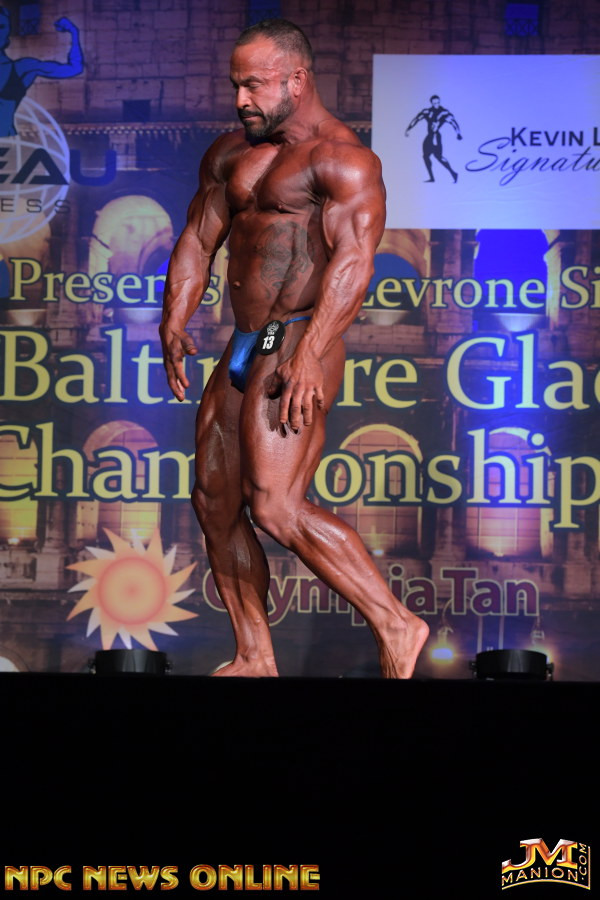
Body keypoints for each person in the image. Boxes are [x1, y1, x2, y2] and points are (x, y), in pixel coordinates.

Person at [160, 18, 429, 678]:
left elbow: (354, 262)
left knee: (275, 506)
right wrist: (175, 317)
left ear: (297, 80)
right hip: (247, 341)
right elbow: (198, 238)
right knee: (214, 502)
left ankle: (397, 623)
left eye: (254, 85)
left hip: (301, 334)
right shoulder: (231, 154)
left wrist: (311, 353)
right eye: (236, 85)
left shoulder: (343, 159)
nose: (241, 100)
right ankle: (254, 654)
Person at [0, 8, 83, 138]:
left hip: (7, 139)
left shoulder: (23, 67)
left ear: (8, 30)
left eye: (1, 27)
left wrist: (74, 33)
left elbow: (74, 68)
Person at [405, 94, 462, 182]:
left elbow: (453, 122)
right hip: (429, 137)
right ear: (431, 103)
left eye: (437, 103)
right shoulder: (427, 112)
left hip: (436, 137)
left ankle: (453, 173)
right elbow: (417, 119)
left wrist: (458, 133)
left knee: (439, 157)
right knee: (426, 156)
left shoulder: (444, 112)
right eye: (434, 103)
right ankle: (432, 177)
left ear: (439, 102)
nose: (436, 104)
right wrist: (409, 129)